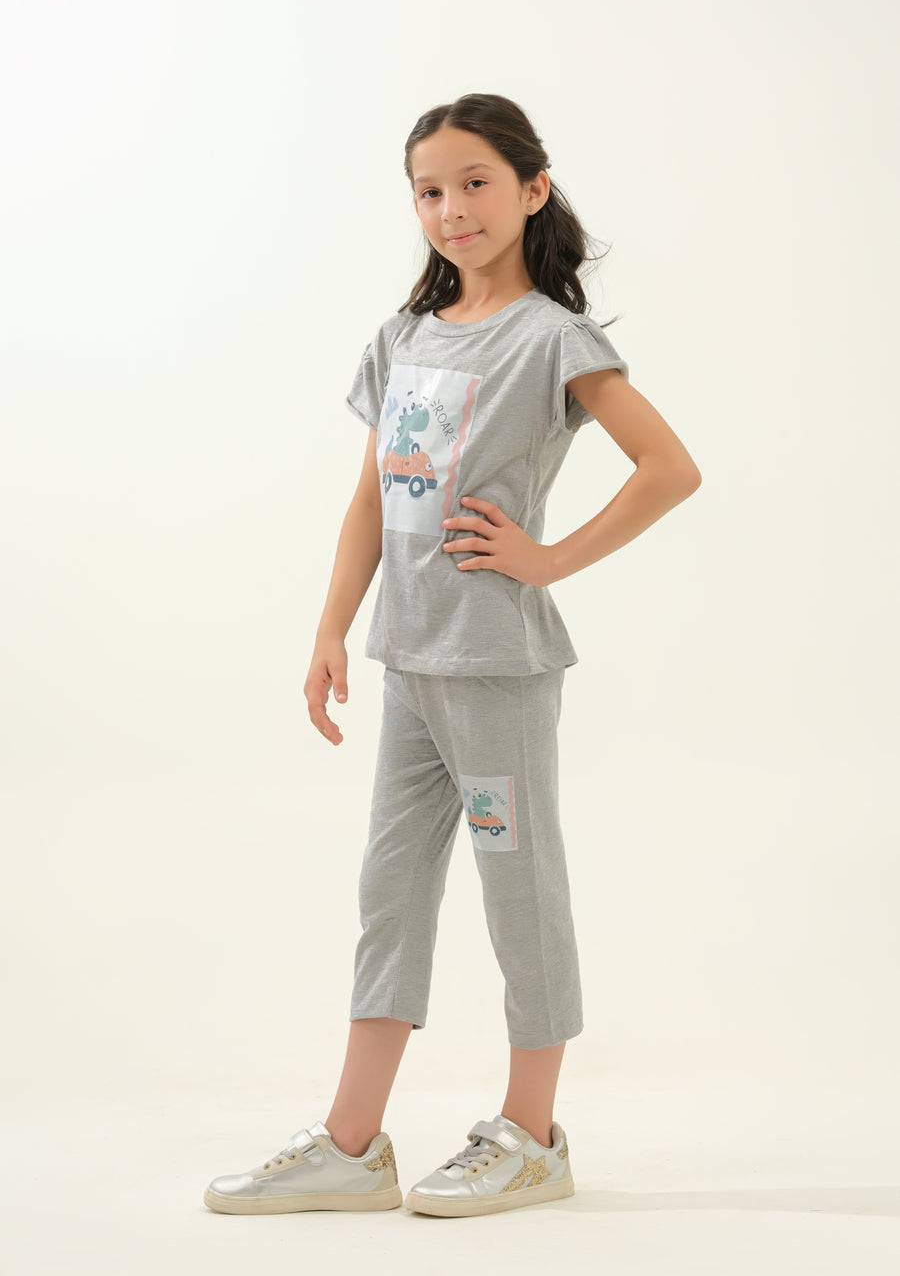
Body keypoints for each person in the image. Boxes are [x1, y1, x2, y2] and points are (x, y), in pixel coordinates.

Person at [203, 92, 701, 1220]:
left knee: (519, 889)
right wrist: (332, 628)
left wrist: (548, 558)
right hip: (411, 666)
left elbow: (670, 468)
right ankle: (350, 1144)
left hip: (495, 673)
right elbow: (372, 500)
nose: (452, 208)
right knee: (389, 892)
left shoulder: (553, 339)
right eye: (429, 190)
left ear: (531, 188)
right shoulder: (404, 338)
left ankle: (532, 1136)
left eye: (475, 182)